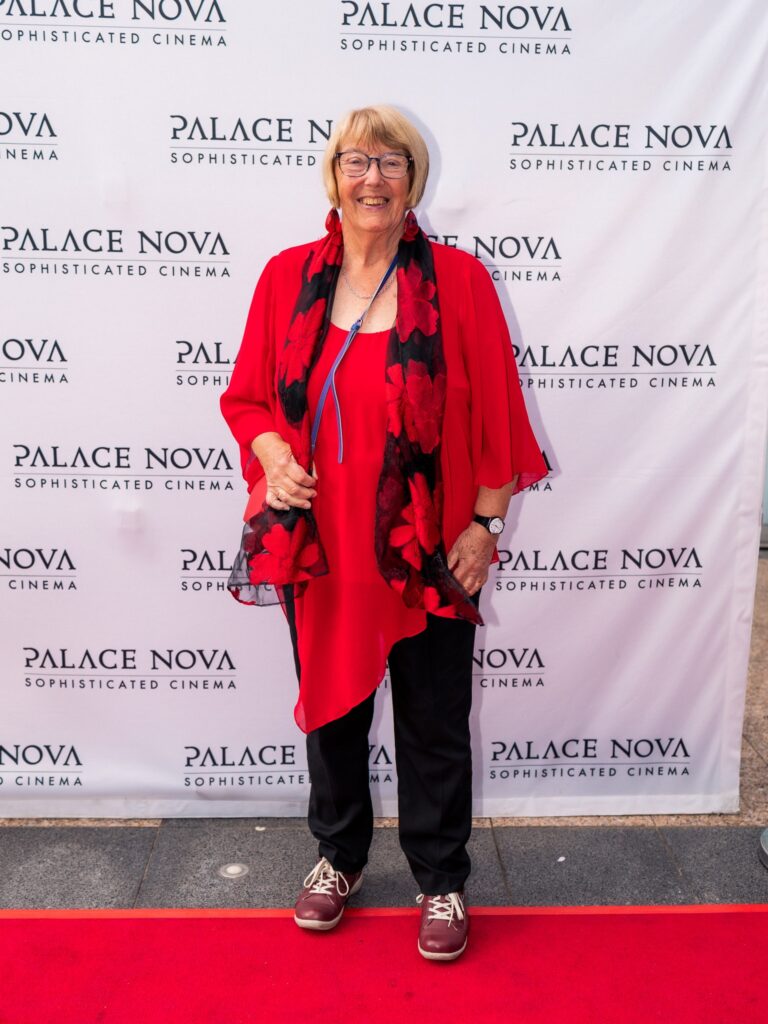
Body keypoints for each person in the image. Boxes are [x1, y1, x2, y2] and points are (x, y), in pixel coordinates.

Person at [220, 104, 547, 961]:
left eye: (392, 162)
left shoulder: (461, 283)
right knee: (332, 712)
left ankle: (440, 878)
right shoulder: (287, 277)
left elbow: (502, 420)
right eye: (357, 160)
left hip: (427, 546)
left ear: (414, 181)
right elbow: (248, 397)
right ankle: (339, 857)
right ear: (333, 176)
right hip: (317, 545)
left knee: (435, 718)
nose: (373, 177)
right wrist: (266, 451)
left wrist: (485, 523)